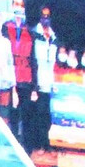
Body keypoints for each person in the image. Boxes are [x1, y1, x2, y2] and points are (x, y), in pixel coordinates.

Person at [4, 0, 35, 143]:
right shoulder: (5, 27)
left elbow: (33, 58)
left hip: (25, 79)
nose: (19, 8)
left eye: (22, 5)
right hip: (10, 78)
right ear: (11, 5)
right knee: (12, 114)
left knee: (26, 114)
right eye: (16, 4)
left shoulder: (29, 30)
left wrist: (34, 85)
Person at [28, 9, 59, 156]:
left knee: (50, 117)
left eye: (48, 16)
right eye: (43, 16)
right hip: (38, 85)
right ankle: (40, 145)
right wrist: (34, 87)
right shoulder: (34, 35)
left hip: (51, 86)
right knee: (39, 117)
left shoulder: (54, 38)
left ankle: (49, 146)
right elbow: (32, 63)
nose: (45, 19)